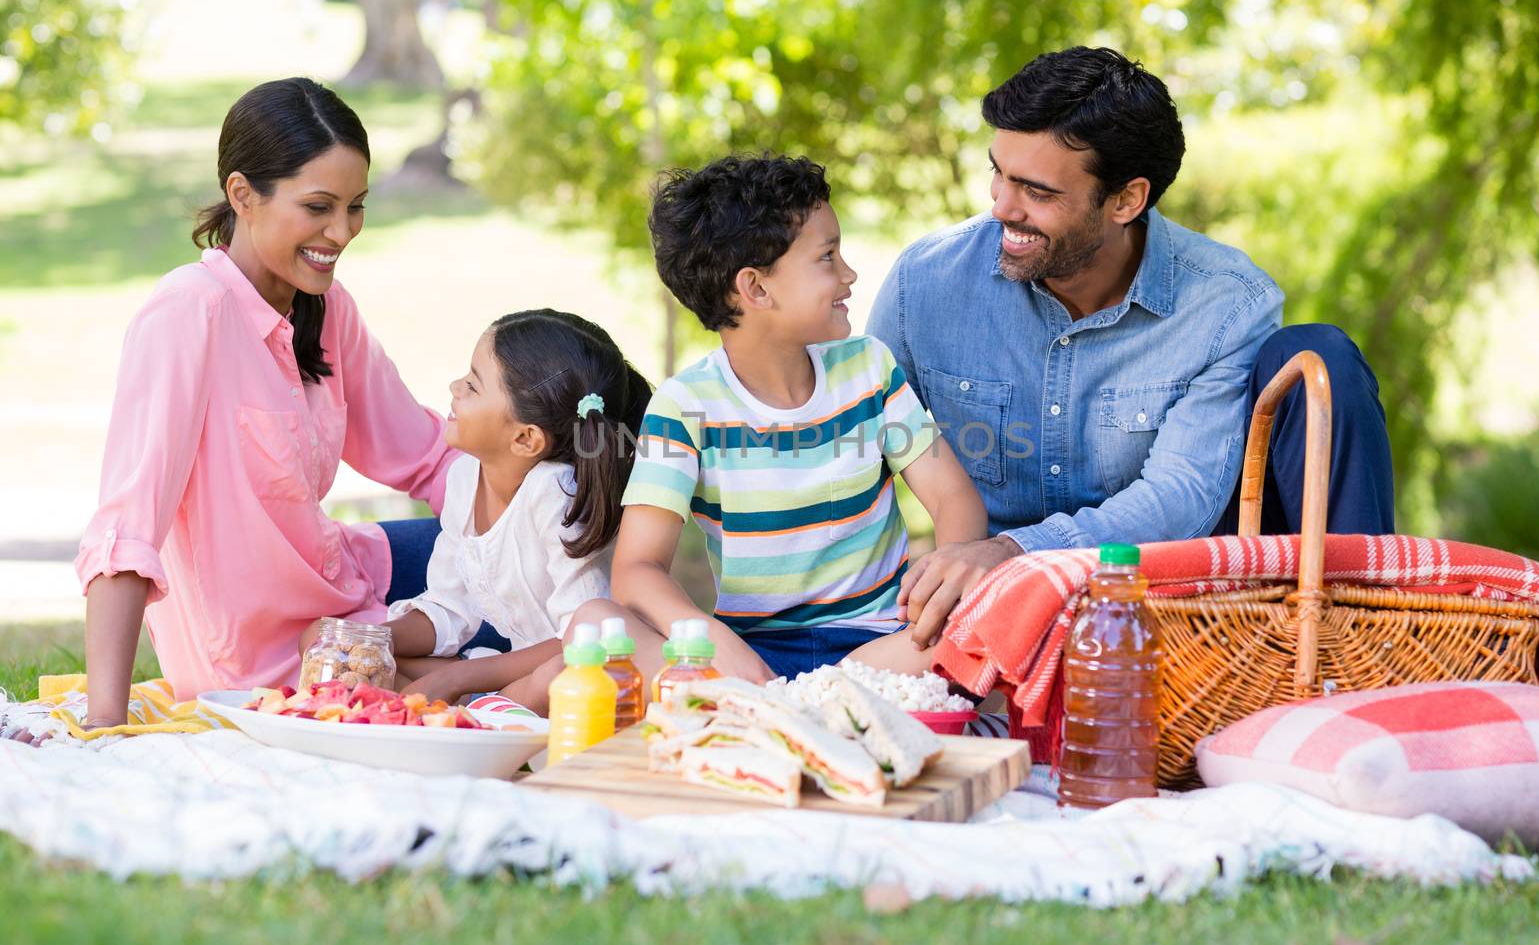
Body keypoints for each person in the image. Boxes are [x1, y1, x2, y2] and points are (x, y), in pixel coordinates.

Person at [867, 46, 1395, 623]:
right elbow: (847, 446)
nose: (1000, 208)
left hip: (1165, 597)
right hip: (996, 610)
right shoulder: (926, 282)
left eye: (1036, 192)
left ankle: (1355, 638)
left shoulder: (1225, 302)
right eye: (998, 173)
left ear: (1126, 200)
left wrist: (1015, 551)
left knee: (1319, 355)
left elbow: (1183, 495)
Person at [73, 78, 461, 728]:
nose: (341, 232)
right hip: (259, 667)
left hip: (343, 594)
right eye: (319, 207)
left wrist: (546, 511)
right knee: (524, 641)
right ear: (242, 195)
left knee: (539, 563)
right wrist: (104, 721)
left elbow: (426, 455)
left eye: (356, 206)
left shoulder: (326, 308)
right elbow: (128, 529)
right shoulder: (189, 314)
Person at [596, 154, 989, 682]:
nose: (849, 274)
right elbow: (636, 572)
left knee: (986, 617)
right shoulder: (683, 407)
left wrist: (946, 585)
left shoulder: (869, 368)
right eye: (828, 257)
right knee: (594, 622)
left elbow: (951, 495)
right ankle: (795, 706)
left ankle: (801, 707)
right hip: (752, 657)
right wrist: (719, 647)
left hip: (882, 645)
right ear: (756, 289)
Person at [382, 309, 662, 712]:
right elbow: (449, 608)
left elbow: (580, 639)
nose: (454, 386)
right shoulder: (464, 479)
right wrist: (372, 638)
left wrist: (456, 677)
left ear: (526, 438)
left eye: (473, 386)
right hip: (508, 675)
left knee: (554, 678)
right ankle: (484, 710)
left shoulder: (555, 492)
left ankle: (485, 710)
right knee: (360, 654)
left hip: (573, 671)